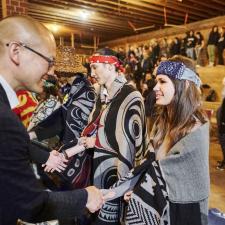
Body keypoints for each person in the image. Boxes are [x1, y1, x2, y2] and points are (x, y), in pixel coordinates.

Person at [0, 15, 111, 225]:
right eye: (49, 61)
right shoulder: (5, 120)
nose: (52, 71)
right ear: (16, 51)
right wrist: (85, 197)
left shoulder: (83, 92)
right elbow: (30, 205)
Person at [103, 55, 210, 225]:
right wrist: (137, 187)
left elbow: (179, 184)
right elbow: (151, 164)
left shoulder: (195, 130)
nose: (155, 88)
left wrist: (141, 191)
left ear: (185, 84)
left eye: (162, 81)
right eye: (156, 81)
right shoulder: (162, 123)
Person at [83, 47, 148, 224]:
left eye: (95, 67)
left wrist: (96, 141)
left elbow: (132, 142)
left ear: (111, 66)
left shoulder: (131, 96)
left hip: (118, 169)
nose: (92, 72)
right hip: (99, 166)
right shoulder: (101, 94)